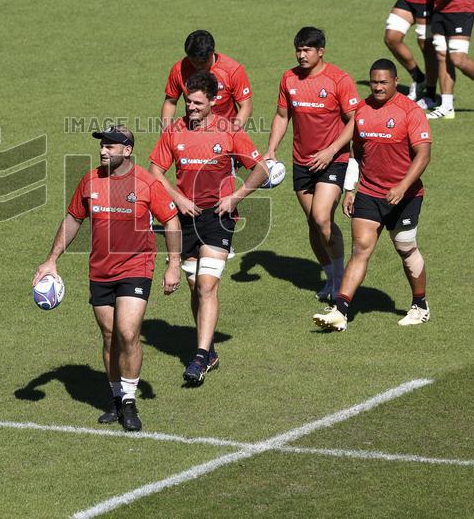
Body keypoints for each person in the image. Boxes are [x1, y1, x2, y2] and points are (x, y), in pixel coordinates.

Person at [34, 126, 181, 431]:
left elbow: (171, 220)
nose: (103, 151)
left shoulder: (146, 183)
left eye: (111, 146)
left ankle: (129, 402)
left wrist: (174, 263)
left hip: (136, 268)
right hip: (100, 270)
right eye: (102, 146)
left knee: (128, 333)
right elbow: (74, 218)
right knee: (110, 336)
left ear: (127, 151)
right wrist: (51, 260)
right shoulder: (90, 181)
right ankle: (115, 400)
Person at [150, 72, 269, 385]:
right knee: (194, 288)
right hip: (185, 219)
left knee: (206, 285)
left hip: (218, 217)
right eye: (188, 101)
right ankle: (210, 350)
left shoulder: (229, 131)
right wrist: (176, 198)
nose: (190, 107)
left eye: (197, 103)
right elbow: (155, 172)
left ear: (213, 102)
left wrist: (236, 196)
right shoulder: (174, 132)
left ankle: (200, 357)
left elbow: (261, 169)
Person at [313, 60, 431, 331]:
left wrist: (402, 186)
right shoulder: (362, 110)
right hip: (369, 192)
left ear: (395, 81)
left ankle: (420, 305)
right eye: (374, 82)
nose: (377, 87)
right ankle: (341, 310)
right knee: (361, 248)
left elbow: (423, 155)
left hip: (406, 195)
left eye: (383, 83)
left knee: (405, 247)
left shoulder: (410, 112)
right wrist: (351, 188)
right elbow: (356, 152)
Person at [263, 27, 360, 302]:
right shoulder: (289, 78)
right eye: (298, 49)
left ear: (321, 51)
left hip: (333, 159)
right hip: (302, 161)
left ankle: (341, 279)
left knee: (321, 216)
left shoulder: (338, 80)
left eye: (307, 50)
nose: (301, 55)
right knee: (313, 224)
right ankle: (330, 277)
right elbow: (282, 116)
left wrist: (331, 151)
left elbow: (355, 120)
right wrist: (271, 150)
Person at [160, 30, 253, 131]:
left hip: (225, 131)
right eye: (194, 62)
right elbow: (170, 102)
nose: (199, 66)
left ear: (212, 52)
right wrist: (166, 135)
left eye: (203, 62)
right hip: (194, 133)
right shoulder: (179, 70)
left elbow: (246, 106)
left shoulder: (232, 70)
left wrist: (232, 133)